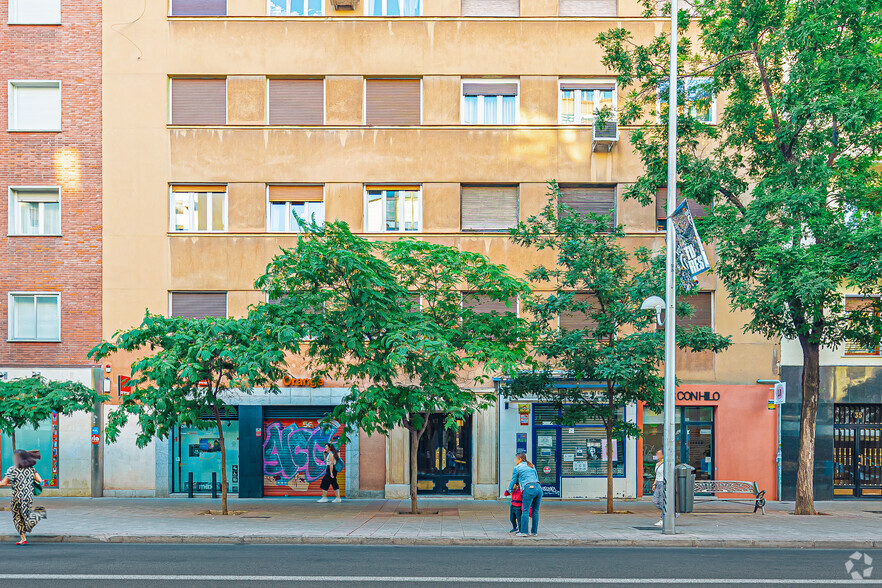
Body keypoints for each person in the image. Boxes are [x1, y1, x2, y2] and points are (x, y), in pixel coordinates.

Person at [0, 450, 47, 545]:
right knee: (25, 515)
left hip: (17, 497)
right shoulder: (31, 469)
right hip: (28, 497)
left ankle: (36, 517)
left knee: (17, 517)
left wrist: (11, 482)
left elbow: (3, 483)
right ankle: (23, 539)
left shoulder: (12, 469)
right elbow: (39, 479)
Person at [508, 452, 543, 537]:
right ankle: (534, 532)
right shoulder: (531, 466)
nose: (515, 461)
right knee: (535, 511)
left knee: (525, 511)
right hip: (538, 488)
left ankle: (523, 532)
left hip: (529, 488)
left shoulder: (517, 468)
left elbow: (513, 480)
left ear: (520, 459)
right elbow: (536, 478)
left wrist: (510, 489)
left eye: (516, 459)